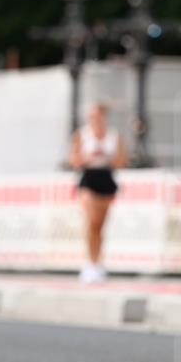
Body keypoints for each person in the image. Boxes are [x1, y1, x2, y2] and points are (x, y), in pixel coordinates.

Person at [68, 103, 127, 282]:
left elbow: (121, 161)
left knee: (100, 226)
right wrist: (88, 157)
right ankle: (90, 262)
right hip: (88, 178)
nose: (95, 119)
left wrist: (106, 157)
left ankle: (98, 263)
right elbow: (73, 160)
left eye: (98, 116)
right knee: (92, 223)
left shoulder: (113, 136)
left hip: (106, 177)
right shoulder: (82, 135)